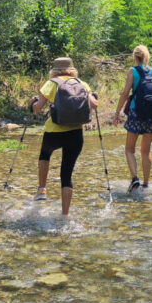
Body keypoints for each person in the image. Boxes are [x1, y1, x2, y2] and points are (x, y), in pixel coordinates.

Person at [30, 57, 98, 215]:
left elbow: (37, 108)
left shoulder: (52, 83)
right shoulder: (81, 83)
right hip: (75, 134)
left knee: (45, 154)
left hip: (54, 132)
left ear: (54, 70)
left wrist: (32, 102)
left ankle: (42, 190)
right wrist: (94, 96)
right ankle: (65, 215)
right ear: (72, 69)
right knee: (66, 174)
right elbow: (94, 105)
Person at [113, 45, 152, 192]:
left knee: (129, 149)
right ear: (147, 57)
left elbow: (125, 93)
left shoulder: (132, 71)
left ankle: (135, 178)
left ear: (135, 57)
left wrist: (117, 113)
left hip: (136, 114)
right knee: (145, 151)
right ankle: (146, 183)